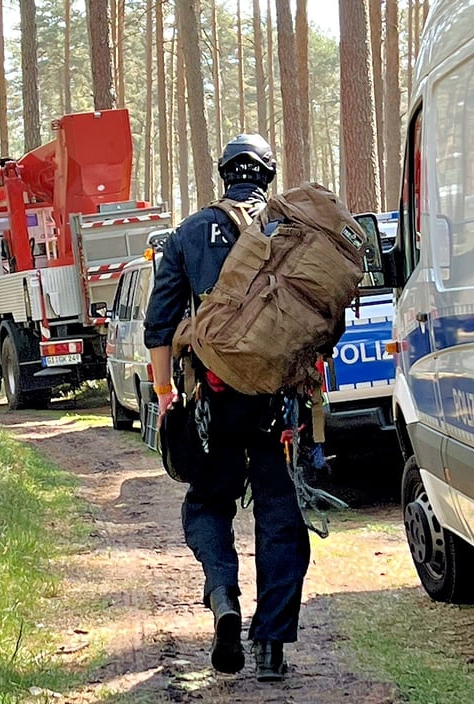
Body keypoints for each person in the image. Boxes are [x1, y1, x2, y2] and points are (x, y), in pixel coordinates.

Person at [143, 134, 310, 682]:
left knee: (207, 505)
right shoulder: (289, 228)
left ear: (224, 176)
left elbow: (159, 326)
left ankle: (223, 602)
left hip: (213, 400)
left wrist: (167, 397)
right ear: (267, 175)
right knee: (279, 517)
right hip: (274, 401)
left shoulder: (190, 233)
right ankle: (271, 649)